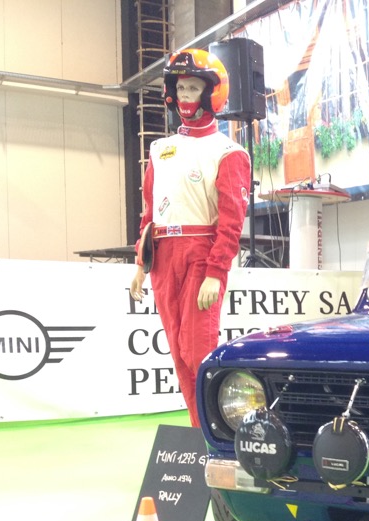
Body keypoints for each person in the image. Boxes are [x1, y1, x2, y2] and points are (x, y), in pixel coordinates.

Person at [129, 48, 251, 427]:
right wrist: (141, 264)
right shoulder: (159, 149)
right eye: (180, 88)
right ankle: (200, 433)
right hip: (163, 256)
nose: (184, 95)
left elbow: (232, 220)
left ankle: (219, 432)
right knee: (179, 358)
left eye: (193, 88)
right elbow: (149, 212)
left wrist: (216, 271)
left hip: (202, 253)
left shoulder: (229, 151)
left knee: (197, 351)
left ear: (211, 93)